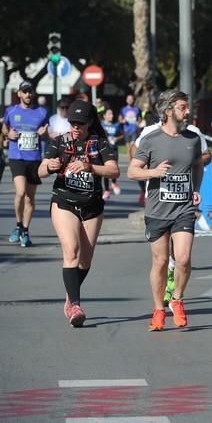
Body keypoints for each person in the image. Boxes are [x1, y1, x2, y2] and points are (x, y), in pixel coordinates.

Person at [38, 100, 120, 327]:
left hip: (92, 206)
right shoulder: (59, 142)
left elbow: (114, 170)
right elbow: (41, 171)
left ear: (90, 122)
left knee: (85, 260)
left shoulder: (100, 143)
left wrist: (90, 167)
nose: (76, 127)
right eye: (72, 122)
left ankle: (70, 293)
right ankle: (75, 305)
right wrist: (50, 166)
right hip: (64, 201)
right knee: (71, 251)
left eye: (80, 123)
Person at [127, 90, 203, 331]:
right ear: (169, 111)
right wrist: (153, 172)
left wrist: (196, 187)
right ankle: (159, 308)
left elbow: (198, 164)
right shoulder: (151, 139)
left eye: (187, 107)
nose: (187, 111)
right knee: (160, 261)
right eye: (182, 107)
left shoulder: (192, 139)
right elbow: (132, 171)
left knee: (183, 258)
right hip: (158, 210)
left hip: (184, 208)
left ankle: (177, 299)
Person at [2, 81, 49, 247]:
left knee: (30, 198)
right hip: (17, 156)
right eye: (25, 91)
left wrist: (44, 134)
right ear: (19, 94)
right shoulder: (11, 111)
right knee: (20, 192)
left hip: (34, 158)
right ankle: (17, 225)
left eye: (30, 91)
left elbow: (47, 132)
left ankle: (25, 230)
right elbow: (4, 127)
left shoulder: (42, 112)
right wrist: (8, 134)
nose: (28, 94)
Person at [101, 106, 124, 199]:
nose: (111, 116)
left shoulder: (116, 125)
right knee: (106, 170)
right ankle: (106, 190)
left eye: (112, 114)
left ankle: (114, 183)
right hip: (105, 150)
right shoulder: (101, 125)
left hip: (114, 149)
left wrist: (116, 138)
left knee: (114, 167)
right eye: (109, 114)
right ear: (104, 115)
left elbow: (122, 134)